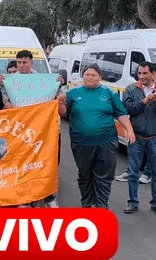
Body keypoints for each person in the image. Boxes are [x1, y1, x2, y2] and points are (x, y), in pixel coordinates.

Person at [58, 64, 135, 208]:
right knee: (84, 175)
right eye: (87, 74)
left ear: (100, 77)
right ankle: (87, 205)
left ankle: (101, 206)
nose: (90, 77)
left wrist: (129, 131)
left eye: (93, 75)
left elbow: (121, 114)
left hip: (106, 142)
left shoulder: (108, 93)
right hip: (81, 143)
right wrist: (60, 103)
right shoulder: (73, 93)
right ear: (83, 76)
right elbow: (63, 113)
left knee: (104, 176)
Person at [0, 50, 65, 207]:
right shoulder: (9, 82)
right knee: (23, 165)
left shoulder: (48, 81)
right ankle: (25, 199)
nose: (21, 66)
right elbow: (6, 103)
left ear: (31, 63)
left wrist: (60, 95)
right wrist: (6, 103)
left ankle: (48, 196)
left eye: (24, 62)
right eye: (19, 62)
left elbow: (59, 103)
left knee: (44, 164)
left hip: (44, 131)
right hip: (20, 132)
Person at [122, 61, 156, 215]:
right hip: (136, 137)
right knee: (133, 172)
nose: (142, 76)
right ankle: (133, 202)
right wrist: (143, 102)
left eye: (145, 73)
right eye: (139, 73)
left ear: (153, 73)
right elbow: (127, 108)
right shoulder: (131, 89)